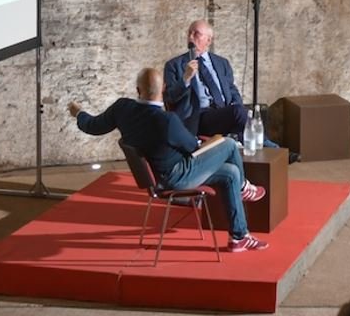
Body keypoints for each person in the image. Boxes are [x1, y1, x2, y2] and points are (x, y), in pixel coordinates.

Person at [68, 67, 269, 252]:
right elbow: (193, 149)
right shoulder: (166, 120)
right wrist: (212, 142)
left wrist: (79, 113)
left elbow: (92, 126)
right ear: (163, 88)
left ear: (138, 90)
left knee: (231, 173)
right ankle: (244, 187)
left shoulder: (122, 108)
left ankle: (239, 237)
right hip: (177, 177)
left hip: (156, 177)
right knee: (229, 144)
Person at [164, 19, 249, 138]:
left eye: (196, 34)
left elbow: (231, 89)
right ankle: (265, 143)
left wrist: (237, 104)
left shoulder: (222, 63)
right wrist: (186, 78)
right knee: (238, 113)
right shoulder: (174, 65)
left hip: (224, 112)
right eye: (189, 33)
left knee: (244, 114)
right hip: (197, 118)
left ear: (208, 40)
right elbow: (170, 97)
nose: (190, 37)